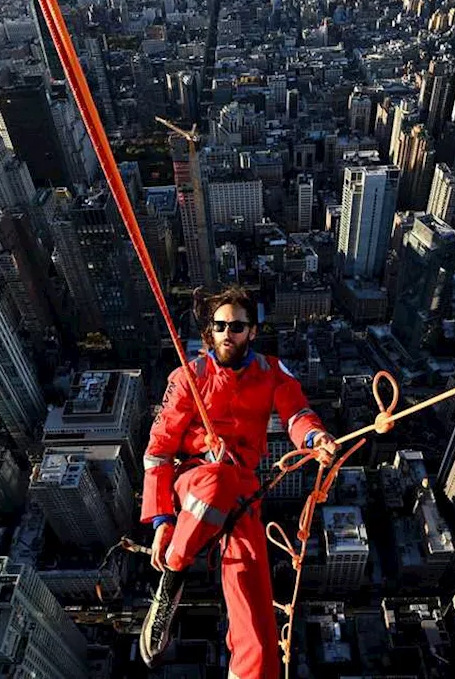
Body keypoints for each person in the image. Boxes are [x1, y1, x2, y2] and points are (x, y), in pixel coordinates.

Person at [138, 286, 336, 677]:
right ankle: (172, 579)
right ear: (209, 331)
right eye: (220, 325)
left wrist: (315, 438)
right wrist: (162, 523)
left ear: (252, 331)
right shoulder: (188, 377)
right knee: (218, 480)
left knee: (259, 637)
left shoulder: (272, 373)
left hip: (244, 497)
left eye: (237, 326)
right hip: (195, 478)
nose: (228, 332)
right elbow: (159, 449)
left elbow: (295, 413)